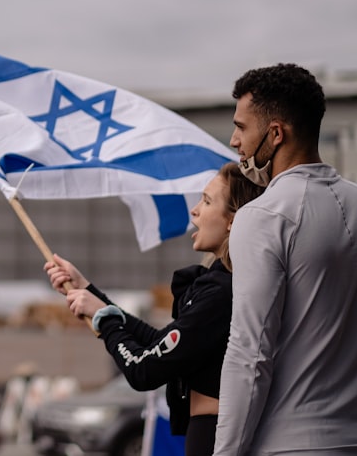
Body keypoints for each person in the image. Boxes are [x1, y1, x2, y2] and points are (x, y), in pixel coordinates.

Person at [214, 63, 357, 455]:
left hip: (290, 443)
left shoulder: (262, 216)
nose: (235, 141)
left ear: (275, 133)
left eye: (242, 127)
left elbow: (249, 355)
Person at [46, 162, 263, 456]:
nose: (195, 210)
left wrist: (104, 320)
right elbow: (159, 342)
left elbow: (143, 369)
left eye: (207, 201)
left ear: (233, 221)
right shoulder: (229, 285)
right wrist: (90, 293)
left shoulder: (221, 294)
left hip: (213, 435)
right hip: (214, 430)